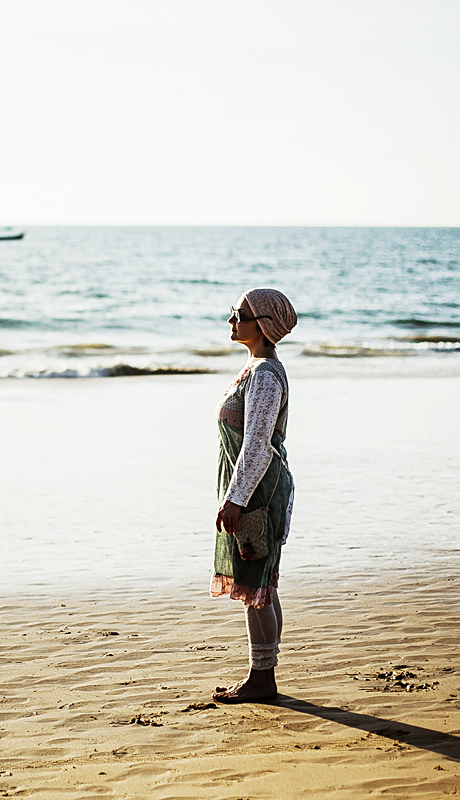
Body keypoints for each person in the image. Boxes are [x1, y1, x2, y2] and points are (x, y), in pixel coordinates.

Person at [211, 287, 297, 703]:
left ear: (261, 325)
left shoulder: (264, 376)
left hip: (259, 493)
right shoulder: (259, 367)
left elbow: (257, 445)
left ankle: (262, 679)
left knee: (255, 584)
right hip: (257, 488)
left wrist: (236, 500)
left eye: (239, 314)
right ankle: (264, 673)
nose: (231, 320)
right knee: (264, 582)